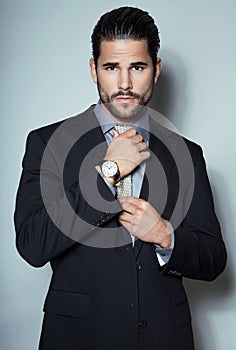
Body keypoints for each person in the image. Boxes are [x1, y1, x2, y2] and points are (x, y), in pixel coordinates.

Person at [14, 6, 227, 350]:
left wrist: (164, 235)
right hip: (79, 338)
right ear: (93, 70)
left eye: (137, 67)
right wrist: (107, 173)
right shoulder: (47, 143)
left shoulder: (187, 154)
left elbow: (214, 259)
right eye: (111, 67)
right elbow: (32, 244)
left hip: (165, 337)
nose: (125, 83)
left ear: (156, 70)